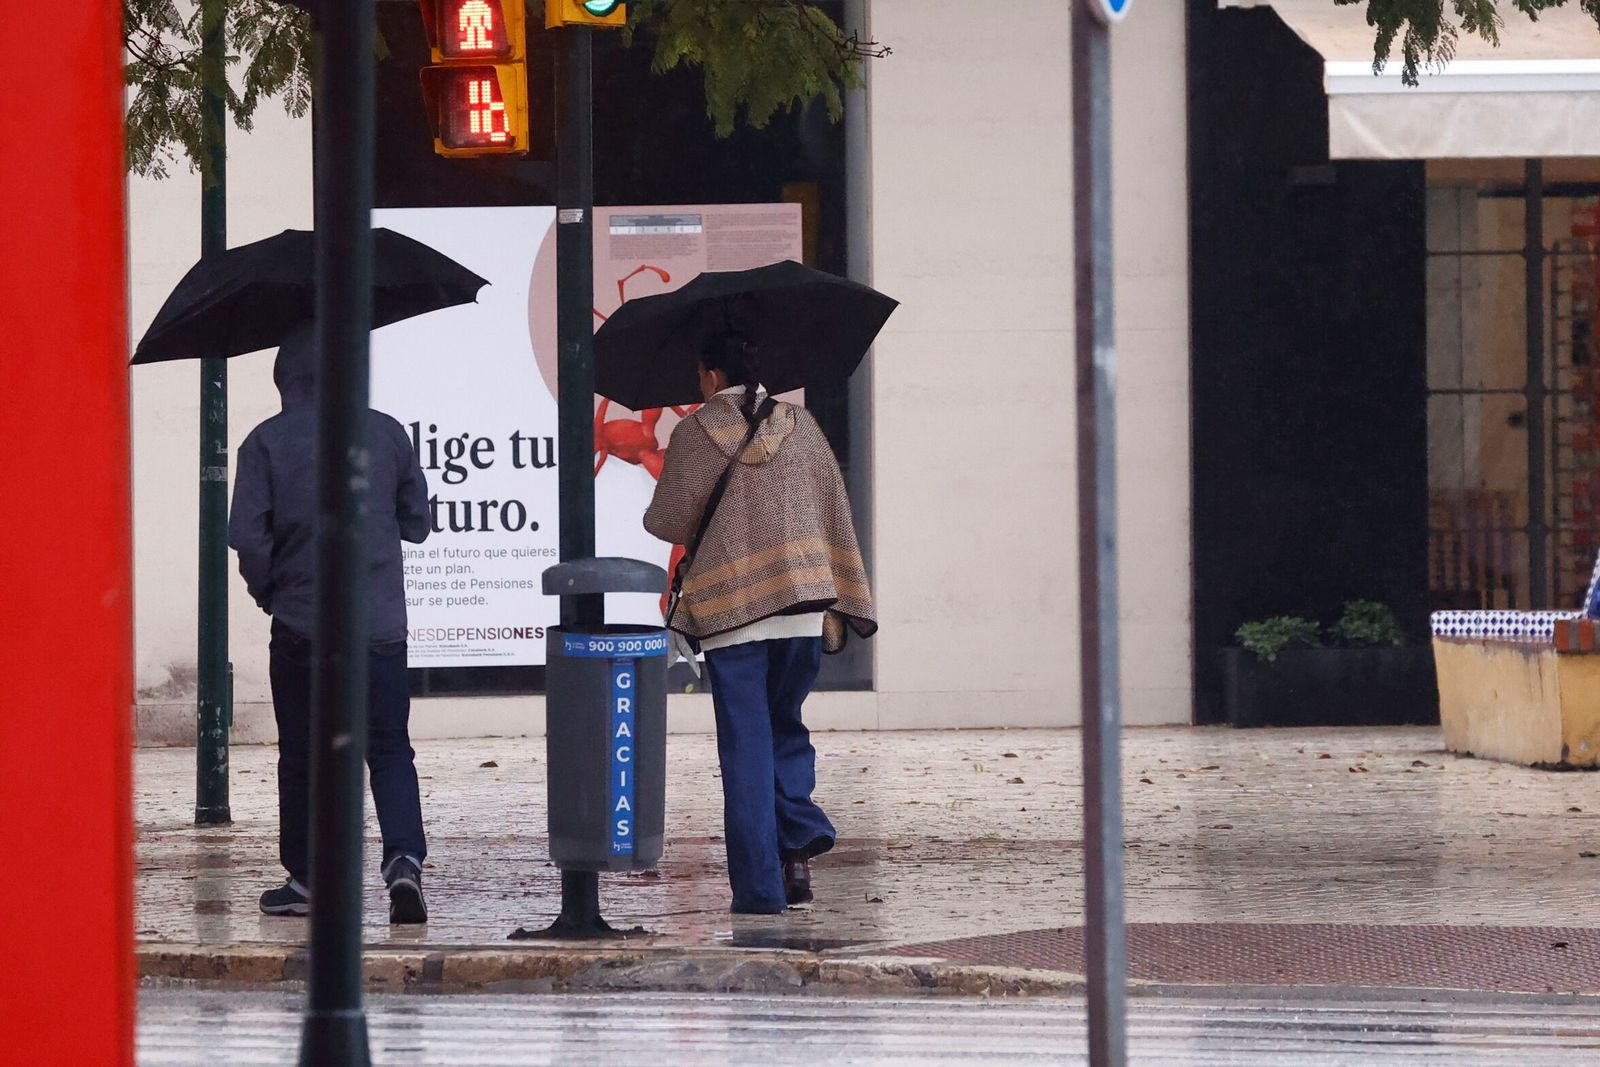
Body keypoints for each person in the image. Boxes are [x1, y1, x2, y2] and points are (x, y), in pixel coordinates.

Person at [644, 333, 876, 914]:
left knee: (746, 749)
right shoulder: (803, 427)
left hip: (734, 615)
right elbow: (833, 507)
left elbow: (665, 521)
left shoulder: (696, 433)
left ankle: (760, 890)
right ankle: (795, 847)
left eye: (699, 375)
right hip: (802, 608)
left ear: (712, 376)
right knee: (785, 728)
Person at [228, 323, 433, 924]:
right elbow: (418, 523)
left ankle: (308, 881)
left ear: (286, 382)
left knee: (302, 756)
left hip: (302, 627)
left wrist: (270, 592)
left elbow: (248, 539)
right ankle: (404, 863)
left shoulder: (264, 442)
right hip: (379, 629)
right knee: (389, 748)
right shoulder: (387, 433)